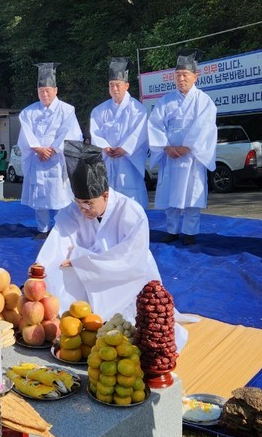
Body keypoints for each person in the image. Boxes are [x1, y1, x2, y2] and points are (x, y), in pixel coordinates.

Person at [35, 142, 187, 354]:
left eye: (88, 203)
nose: (83, 209)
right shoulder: (75, 211)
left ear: (105, 195)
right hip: (87, 274)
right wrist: (40, 269)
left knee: (134, 325)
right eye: (79, 202)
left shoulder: (131, 212)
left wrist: (81, 259)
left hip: (127, 277)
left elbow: (130, 259)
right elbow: (59, 240)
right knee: (57, 274)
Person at [147, 49, 217, 245]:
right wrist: (166, 147)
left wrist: (188, 147)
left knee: (191, 195)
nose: (181, 79)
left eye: (185, 75)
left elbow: (205, 126)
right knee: (171, 195)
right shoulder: (166, 100)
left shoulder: (204, 101)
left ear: (196, 76)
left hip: (191, 157)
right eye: (177, 75)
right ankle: (172, 230)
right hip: (170, 156)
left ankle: (190, 232)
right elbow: (154, 124)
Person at [18, 62, 84, 239]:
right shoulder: (28, 112)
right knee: (40, 197)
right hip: (37, 157)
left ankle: (63, 228)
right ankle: (43, 229)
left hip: (57, 159)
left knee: (60, 195)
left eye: (48, 90)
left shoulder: (67, 110)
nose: (44, 94)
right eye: (41, 91)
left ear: (56, 90)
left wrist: (54, 149)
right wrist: (38, 148)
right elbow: (26, 133)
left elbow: (70, 132)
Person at [89, 57, 150, 207]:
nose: (114, 88)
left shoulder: (137, 109)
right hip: (108, 159)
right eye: (111, 85)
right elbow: (95, 132)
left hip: (129, 160)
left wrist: (125, 148)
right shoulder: (99, 110)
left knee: (130, 197)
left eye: (118, 85)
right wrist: (105, 147)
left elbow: (140, 133)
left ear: (127, 85)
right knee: (108, 195)